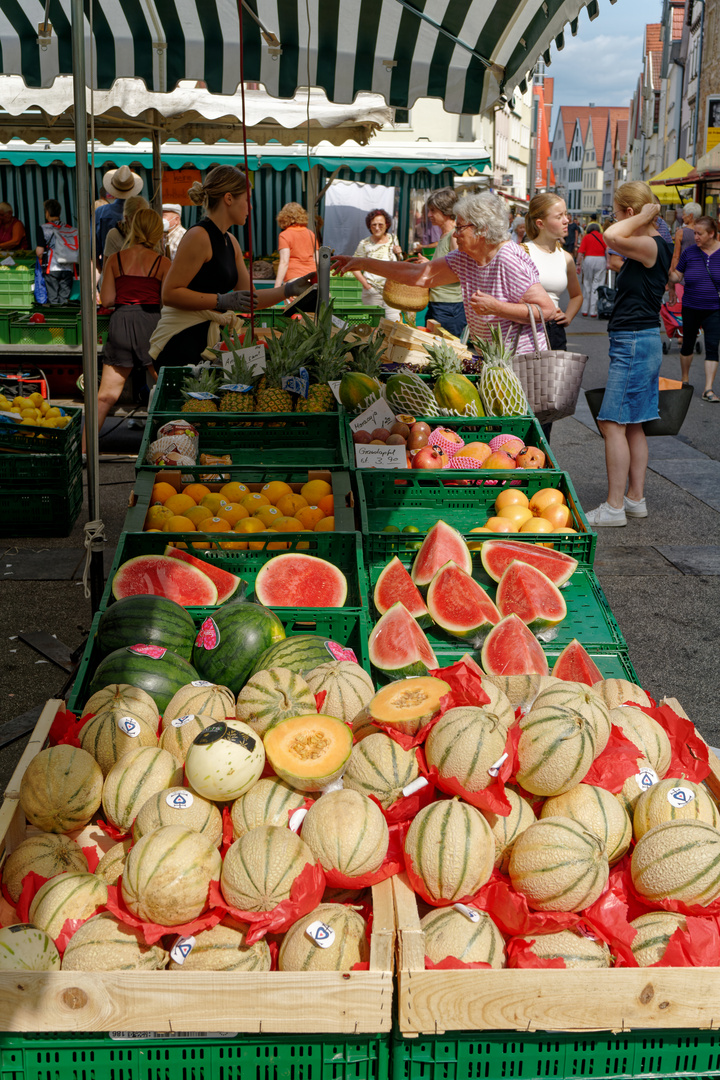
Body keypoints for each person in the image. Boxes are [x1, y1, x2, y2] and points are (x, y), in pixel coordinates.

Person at [333, 192, 555, 352]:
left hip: (521, 362)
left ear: (482, 229)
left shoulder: (507, 258)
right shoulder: (466, 258)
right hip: (491, 357)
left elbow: (546, 311)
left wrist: (497, 308)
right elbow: (418, 274)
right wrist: (362, 262)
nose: (455, 235)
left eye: (460, 228)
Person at [151, 165, 314, 369]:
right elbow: (169, 294)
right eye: (246, 200)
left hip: (210, 340)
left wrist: (289, 289)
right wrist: (221, 300)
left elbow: (249, 298)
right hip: (182, 340)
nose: (250, 207)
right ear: (229, 199)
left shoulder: (231, 242)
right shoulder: (198, 236)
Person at [586, 181, 672, 527]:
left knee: (611, 421)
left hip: (635, 340)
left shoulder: (650, 243)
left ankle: (614, 506)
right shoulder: (654, 244)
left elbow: (610, 235)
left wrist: (645, 214)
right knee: (633, 423)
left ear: (630, 213)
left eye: (617, 211)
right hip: (641, 338)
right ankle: (634, 499)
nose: (614, 218)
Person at [83, 208, 170, 455]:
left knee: (105, 396)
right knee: (165, 388)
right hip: (151, 323)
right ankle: (169, 449)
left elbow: (107, 300)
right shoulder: (163, 263)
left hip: (120, 322)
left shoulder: (115, 259)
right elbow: (168, 300)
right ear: (156, 232)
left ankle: (84, 451)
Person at [668, 215, 720, 402]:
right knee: (687, 343)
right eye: (694, 233)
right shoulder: (689, 252)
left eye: (699, 234)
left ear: (712, 234)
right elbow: (678, 275)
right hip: (690, 306)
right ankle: (685, 380)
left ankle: (708, 389)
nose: (695, 237)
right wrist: (670, 275)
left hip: (715, 308)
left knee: (713, 347)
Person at [523, 194, 583, 350]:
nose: (566, 220)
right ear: (540, 223)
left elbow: (577, 296)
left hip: (554, 330)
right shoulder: (523, 252)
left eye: (565, 214)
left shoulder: (566, 257)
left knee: (557, 375)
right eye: (559, 216)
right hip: (526, 330)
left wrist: (567, 317)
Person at [417, 188, 466, 338]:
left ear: (445, 211)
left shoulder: (453, 236)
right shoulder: (445, 236)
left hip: (449, 306)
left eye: (433, 210)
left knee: (447, 352)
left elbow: (460, 271)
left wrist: (430, 267)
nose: (429, 215)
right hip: (439, 303)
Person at [350, 209, 403, 320]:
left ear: (387, 225)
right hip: (372, 291)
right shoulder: (364, 243)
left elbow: (399, 263)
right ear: (369, 226)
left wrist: (399, 253)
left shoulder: (393, 239)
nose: (377, 228)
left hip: (392, 290)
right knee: (374, 325)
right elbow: (354, 266)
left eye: (380, 224)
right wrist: (366, 285)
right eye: (373, 225)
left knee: (395, 323)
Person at [94, 166, 143, 267]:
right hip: (139, 268)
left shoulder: (101, 212)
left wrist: (102, 270)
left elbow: (93, 250)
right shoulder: (142, 213)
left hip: (109, 267)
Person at [35, 199, 74, 305]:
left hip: (52, 268)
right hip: (68, 267)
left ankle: (56, 318)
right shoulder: (69, 228)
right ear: (59, 212)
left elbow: (40, 251)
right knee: (64, 300)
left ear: (47, 212)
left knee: (53, 299)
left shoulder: (43, 228)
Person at [273, 202, 318, 289]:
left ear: (283, 217)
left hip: (294, 278)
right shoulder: (311, 234)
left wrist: (277, 285)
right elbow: (317, 259)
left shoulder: (284, 235)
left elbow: (284, 262)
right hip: (312, 277)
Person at [102, 196, 149, 267]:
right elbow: (107, 267)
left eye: (143, 218)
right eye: (135, 219)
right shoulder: (115, 234)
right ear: (127, 219)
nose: (140, 222)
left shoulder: (150, 234)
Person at [577, 221, 608, 317]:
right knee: (597, 284)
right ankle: (593, 311)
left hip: (588, 259)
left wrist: (578, 264)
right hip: (600, 260)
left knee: (587, 283)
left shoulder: (586, 237)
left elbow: (581, 252)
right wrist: (608, 262)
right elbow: (607, 250)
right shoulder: (603, 236)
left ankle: (585, 309)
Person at [670, 202, 702, 273]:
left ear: (691, 215)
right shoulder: (704, 232)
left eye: (684, 214)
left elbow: (676, 256)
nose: (682, 217)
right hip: (700, 272)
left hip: (683, 273)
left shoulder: (681, 232)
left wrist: (674, 273)